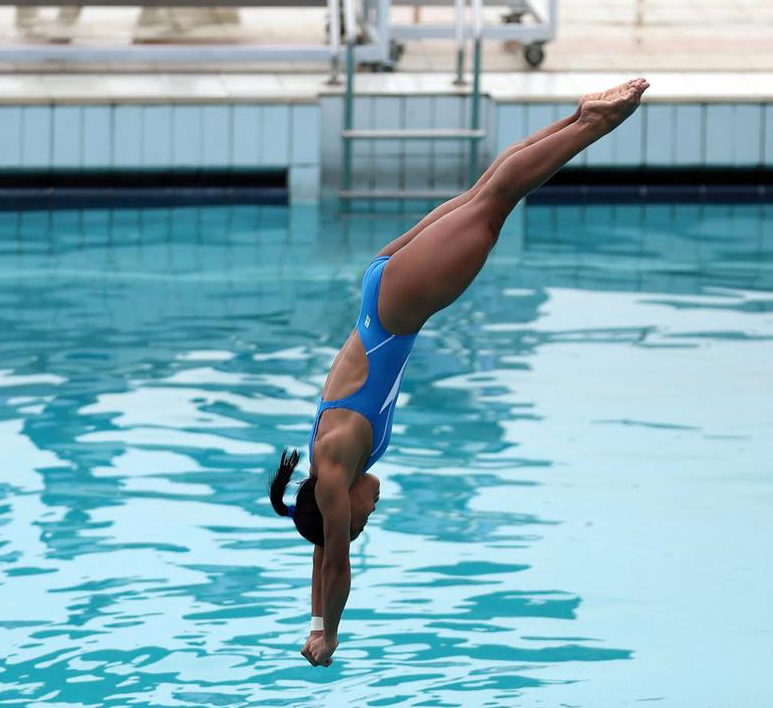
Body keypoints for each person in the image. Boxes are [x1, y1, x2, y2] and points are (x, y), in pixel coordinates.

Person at [267, 78, 650, 667]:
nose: (371, 514)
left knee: (492, 206)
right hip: (382, 289)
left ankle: (597, 126)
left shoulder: (339, 463)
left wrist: (331, 635)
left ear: (341, 506)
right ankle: (581, 117)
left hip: (398, 308)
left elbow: (335, 557)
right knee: (484, 197)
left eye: (360, 523)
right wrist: (313, 619)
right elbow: (324, 552)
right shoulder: (329, 474)